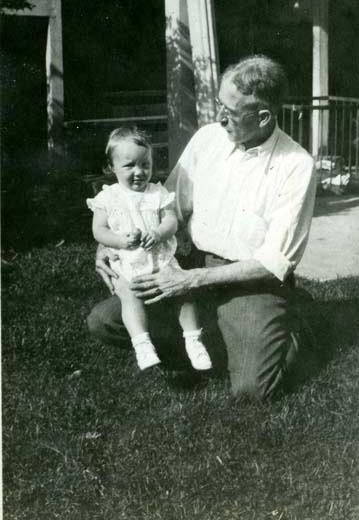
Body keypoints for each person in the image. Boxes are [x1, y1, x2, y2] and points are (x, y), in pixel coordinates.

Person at [89, 55, 316, 399]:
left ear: (264, 116)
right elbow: (165, 206)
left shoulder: (296, 164)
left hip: (251, 282)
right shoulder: (209, 138)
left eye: (231, 112)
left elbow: (273, 263)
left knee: (252, 389)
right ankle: (216, 338)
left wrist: (190, 281)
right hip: (193, 264)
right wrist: (109, 245)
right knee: (106, 320)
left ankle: (296, 321)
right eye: (219, 105)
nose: (220, 118)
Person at [86, 126, 212, 372]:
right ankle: (142, 343)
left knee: (182, 295)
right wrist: (120, 241)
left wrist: (157, 233)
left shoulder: (158, 192)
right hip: (129, 262)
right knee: (129, 295)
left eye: (145, 164)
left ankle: (193, 340)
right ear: (111, 167)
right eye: (129, 165)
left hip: (161, 261)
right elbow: (99, 231)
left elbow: (171, 221)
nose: (139, 172)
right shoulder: (108, 198)